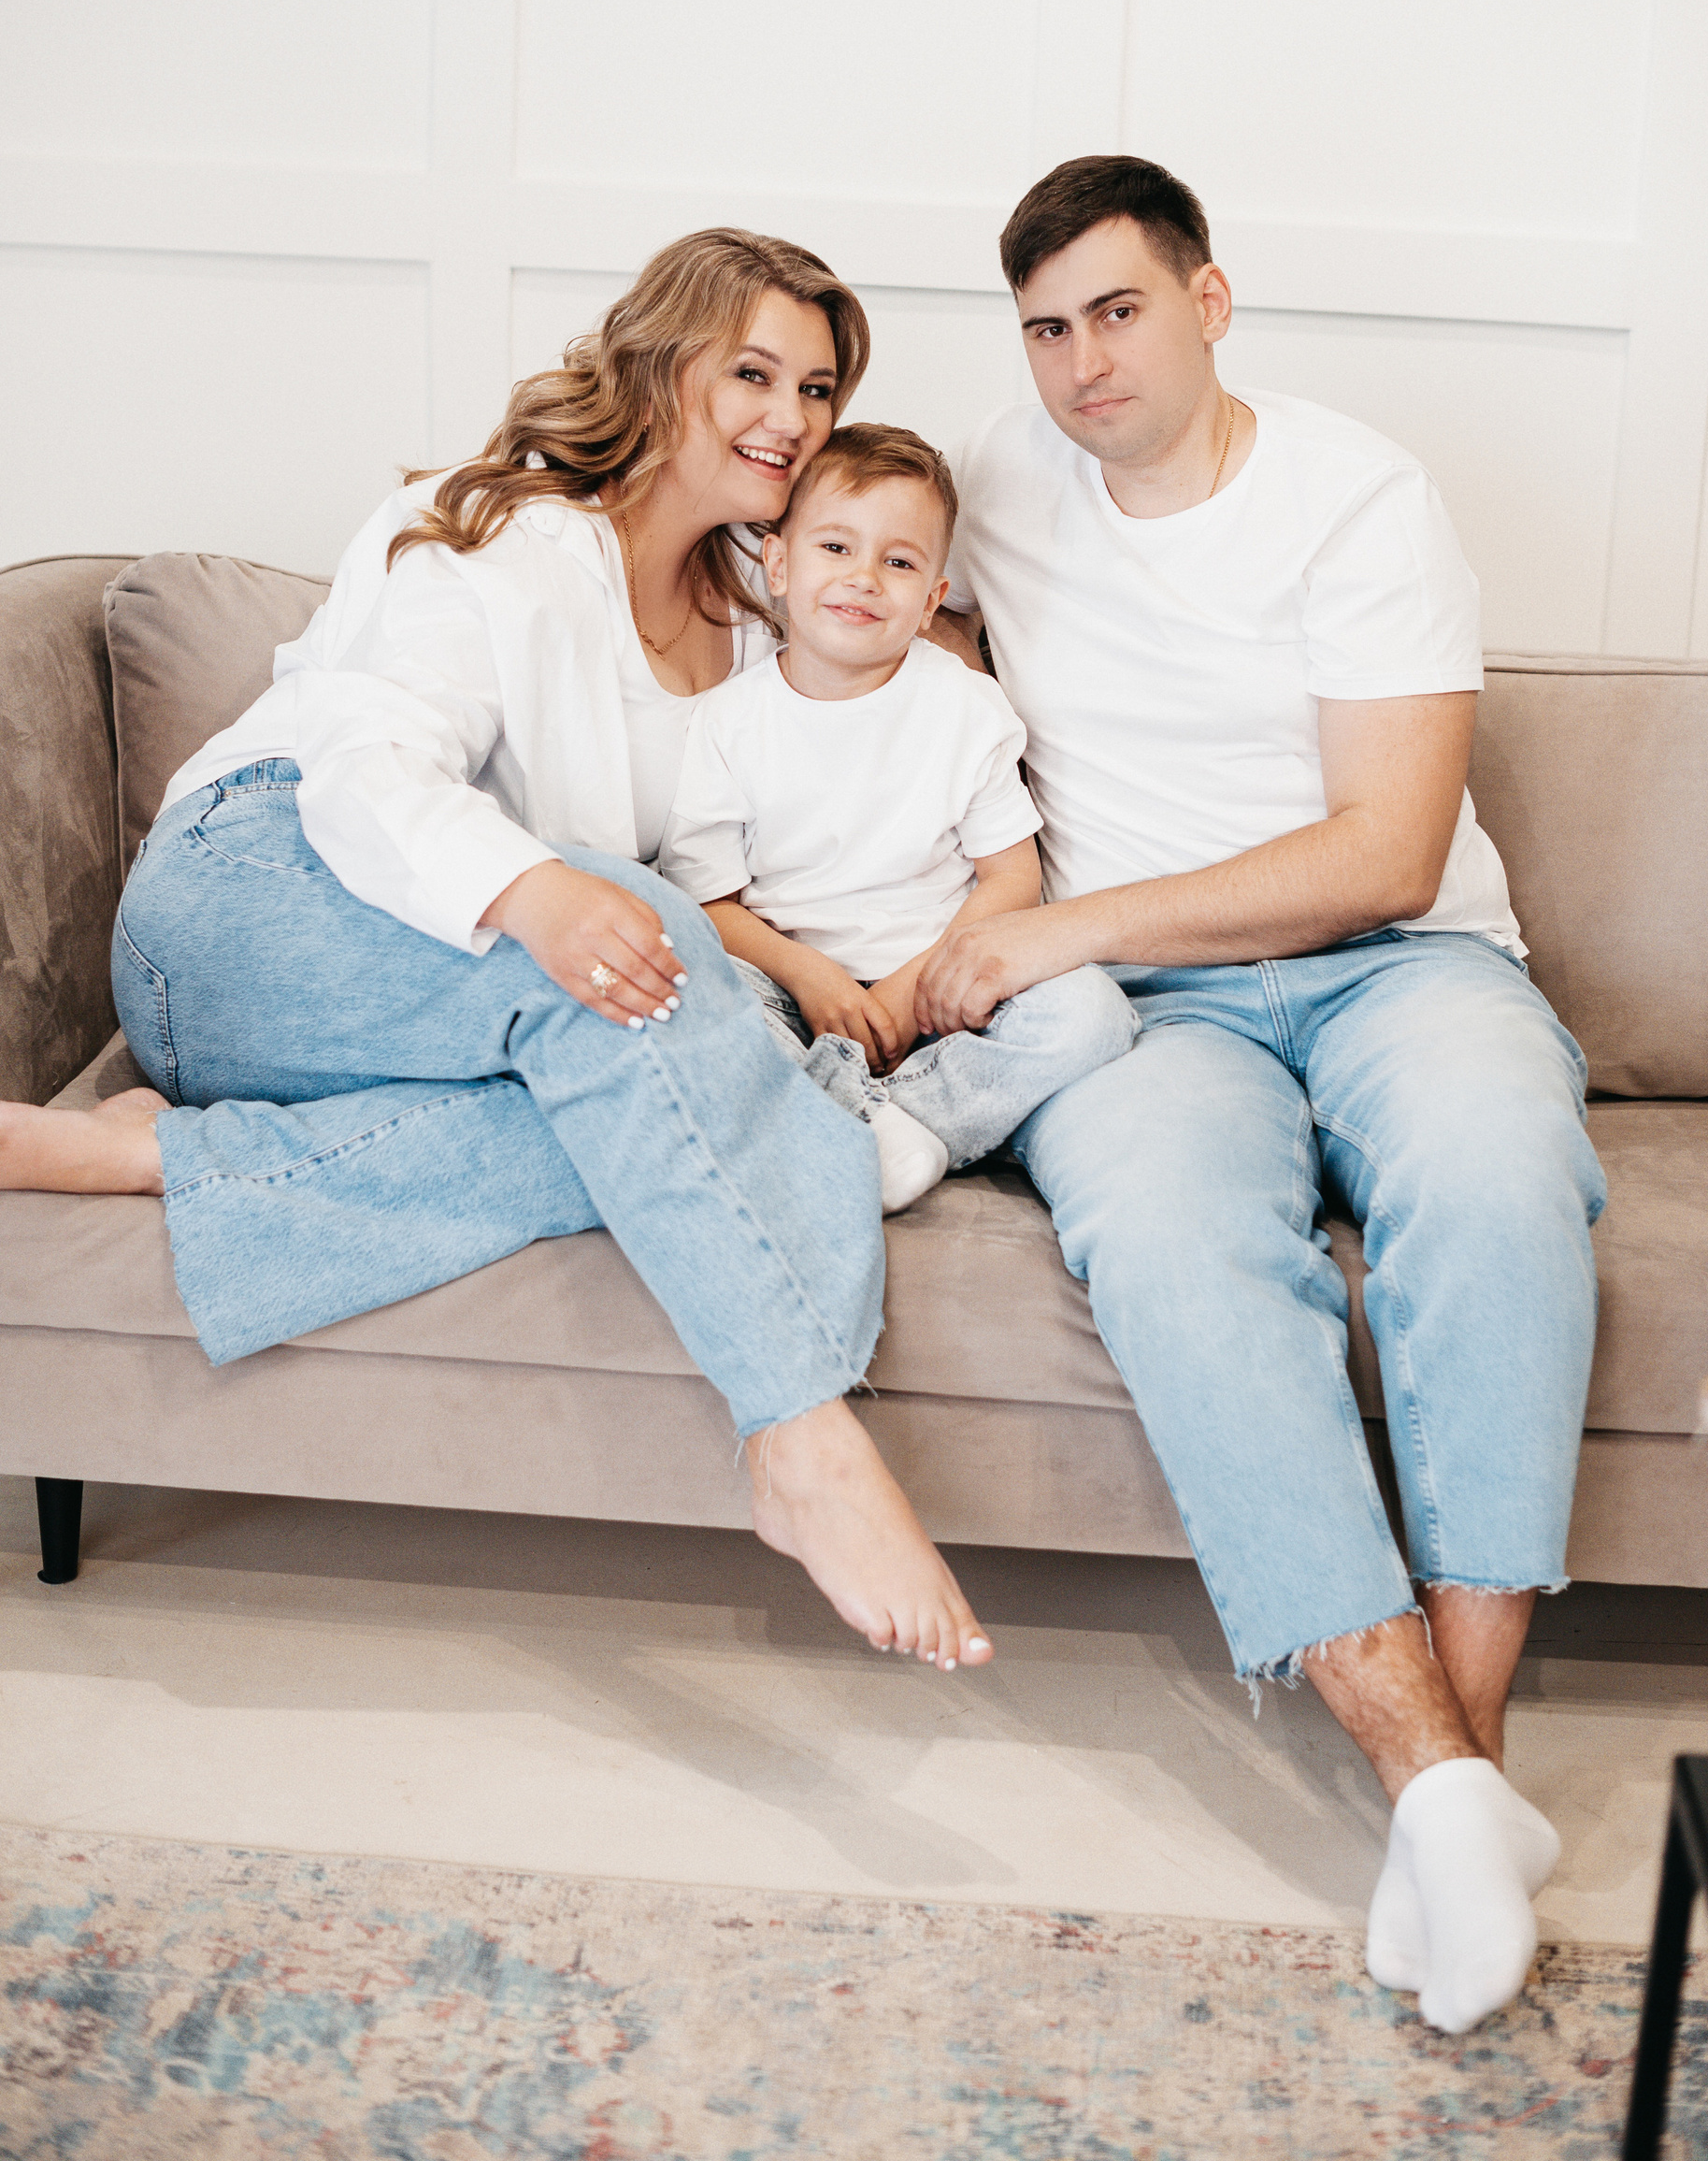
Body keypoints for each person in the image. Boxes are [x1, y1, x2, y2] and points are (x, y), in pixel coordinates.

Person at [0, 228, 993, 1678]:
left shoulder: (763, 606)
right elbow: (363, 770)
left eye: (819, 386)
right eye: (753, 373)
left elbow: (897, 669)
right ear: (660, 365)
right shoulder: (500, 535)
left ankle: (161, 1156)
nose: (792, 416)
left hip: (450, 998)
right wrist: (531, 890)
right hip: (248, 892)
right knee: (637, 960)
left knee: (666, 1094)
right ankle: (799, 1430)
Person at [919, 156, 1605, 2033]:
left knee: (1496, 1176)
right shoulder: (996, 479)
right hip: (1161, 1018)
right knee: (1165, 1240)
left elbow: (1388, 852)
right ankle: (1446, 1799)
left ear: (1208, 301)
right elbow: (811, 568)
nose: (1083, 364)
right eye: (1045, 330)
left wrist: (1066, 927)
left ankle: (1450, 1778)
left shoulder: (1359, 495)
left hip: (1405, 963)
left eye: (1117, 311)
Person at [660, 420, 1138, 1211]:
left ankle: (876, 1122)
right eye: (835, 547)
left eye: (899, 562)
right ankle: (862, 1121)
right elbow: (710, 903)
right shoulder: (726, 722)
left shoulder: (966, 707)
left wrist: (912, 993)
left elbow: (1012, 879)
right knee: (699, 1001)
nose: (864, 578)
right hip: (788, 987)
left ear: (931, 600)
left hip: (942, 985)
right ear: (778, 564)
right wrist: (809, 977)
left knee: (1091, 1014)